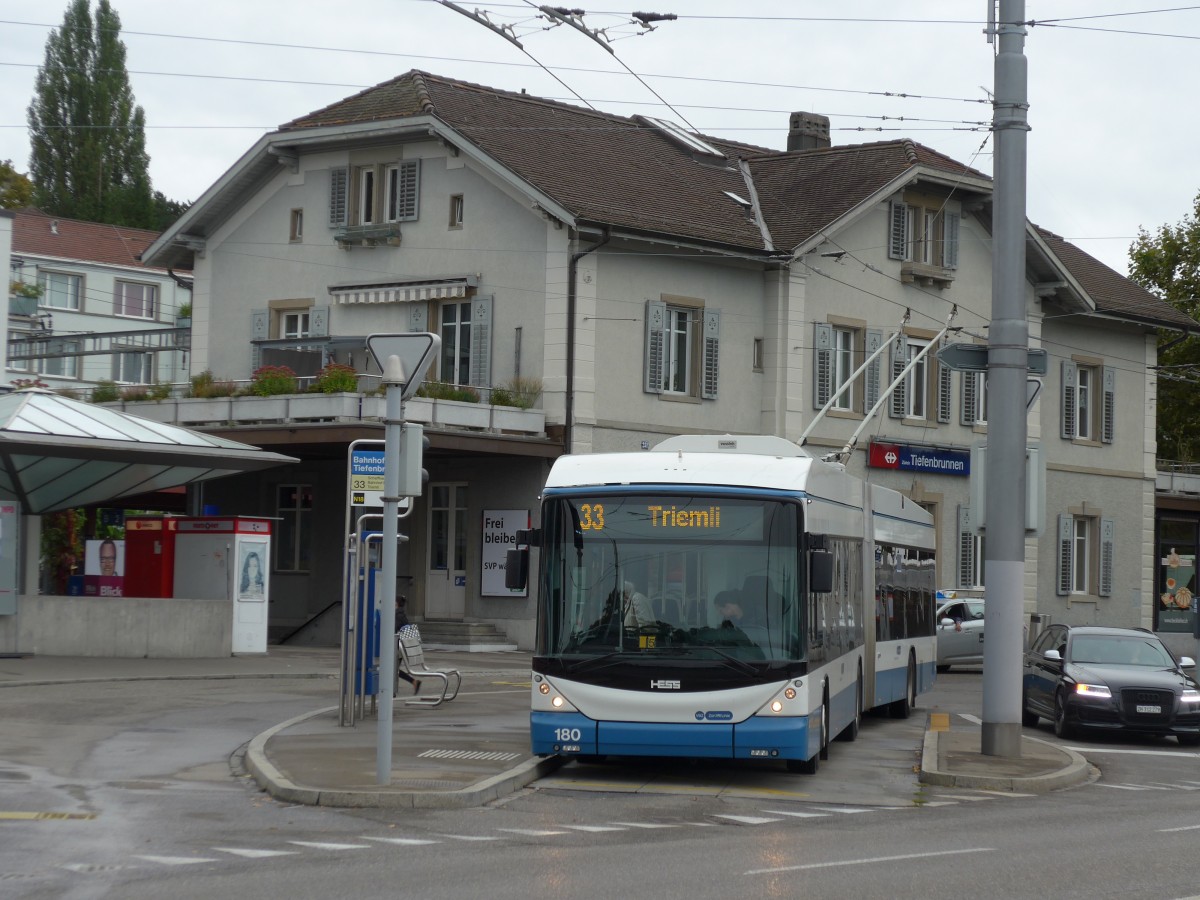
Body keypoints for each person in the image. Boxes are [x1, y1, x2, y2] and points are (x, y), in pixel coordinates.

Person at [395, 596, 422, 694]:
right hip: (402, 646)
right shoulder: (401, 614)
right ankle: (414, 682)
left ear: (396, 603)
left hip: (398, 647)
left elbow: (394, 630)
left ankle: (390, 690)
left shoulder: (397, 615)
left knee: (392, 669)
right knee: (394, 669)